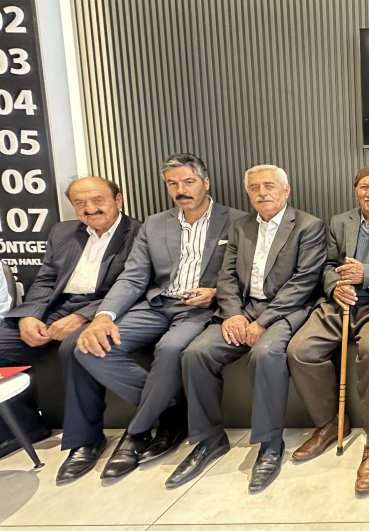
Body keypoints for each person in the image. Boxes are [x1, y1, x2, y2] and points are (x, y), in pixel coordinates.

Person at [56, 153, 243, 484]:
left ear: (205, 183)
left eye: (188, 182)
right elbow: (133, 277)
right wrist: (103, 316)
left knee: (170, 349)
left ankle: (136, 432)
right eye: (173, 183)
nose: (181, 189)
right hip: (157, 304)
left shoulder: (237, 221)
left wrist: (215, 292)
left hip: (200, 309)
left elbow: (243, 274)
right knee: (86, 347)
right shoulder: (155, 224)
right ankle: (169, 406)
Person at [167, 165, 325, 492]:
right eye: (254, 188)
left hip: (284, 311)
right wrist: (233, 315)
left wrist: (263, 322)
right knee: (196, 354)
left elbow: (304, 283)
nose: (262, 193)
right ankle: (209, 439)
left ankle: (270, 444)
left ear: (286, 190)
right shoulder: (240, 227)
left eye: (269, 186)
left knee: (266, 354)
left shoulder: (308, 226)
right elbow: (225, 276)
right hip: (242, 308)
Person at [287, 165, 369, 494]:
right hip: (340, 304)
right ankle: (331, 424)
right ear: (355, 191)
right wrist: (335, 287)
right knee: (300, 350)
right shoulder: (338, 222)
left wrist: (365, 274)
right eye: (363, 187)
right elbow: (328, 266)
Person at [0, 177, 140, 460]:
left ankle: (86, 440)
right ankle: (24, 427)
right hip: (56, 307)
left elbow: (134, 285)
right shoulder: (63, 231)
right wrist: (29, 315)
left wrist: (82, 316)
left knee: (75, 348)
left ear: (118, 200)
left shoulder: (139, 233)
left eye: (97, 200)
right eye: (79, 203)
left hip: (103, 309)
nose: (89, 208)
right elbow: (45, 279)